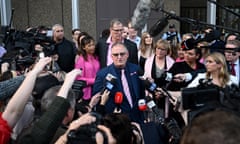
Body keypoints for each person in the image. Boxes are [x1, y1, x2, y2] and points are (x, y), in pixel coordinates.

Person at [0, 57, 52, 144]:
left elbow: (13, 112)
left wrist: (32, 74)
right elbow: (13, 112)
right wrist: (33, 74)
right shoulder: (28, 108)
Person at [92, 42, 145, 123]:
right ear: (111, 57)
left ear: (127, 55)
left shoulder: (136, 69)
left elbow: (141, 93)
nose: (119, 57)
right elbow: (97, 99)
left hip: (137, 117)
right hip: (116, 121)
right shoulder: (102, 74)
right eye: (116, 55)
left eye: (122, 54)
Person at [75, 35, 100, 101]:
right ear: (83, 47)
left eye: (93, 45)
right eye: (89, 46)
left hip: (97, 89)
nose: (92, 47)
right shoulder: (81, 60)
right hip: (86, 92)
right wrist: (93, 80)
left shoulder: (96, 57)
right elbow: (78, 77)